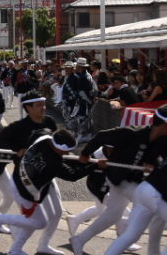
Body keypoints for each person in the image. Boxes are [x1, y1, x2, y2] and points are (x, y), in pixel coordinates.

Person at [70, 105, 167, 255]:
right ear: (163, 124)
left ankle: (80, 239)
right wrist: (85, 153)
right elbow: (101, 136)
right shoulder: (132, 133)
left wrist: (153, 165)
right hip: (118, 179)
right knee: (149, 204)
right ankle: (133, 236)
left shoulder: (162, 142)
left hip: (134, 182)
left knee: (112, 215)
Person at [0, 130, 96, 255]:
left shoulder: (42, 136)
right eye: (65, 151)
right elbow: (72, 175)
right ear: (57, 147)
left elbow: (32, 136)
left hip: (19, 178)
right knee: (39, 222)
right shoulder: (53, 162)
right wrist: (94, 165)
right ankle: (0, 219)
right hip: (25, 191)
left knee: (45, 216)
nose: (67, 153)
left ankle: (20, 248)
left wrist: (23, 149)